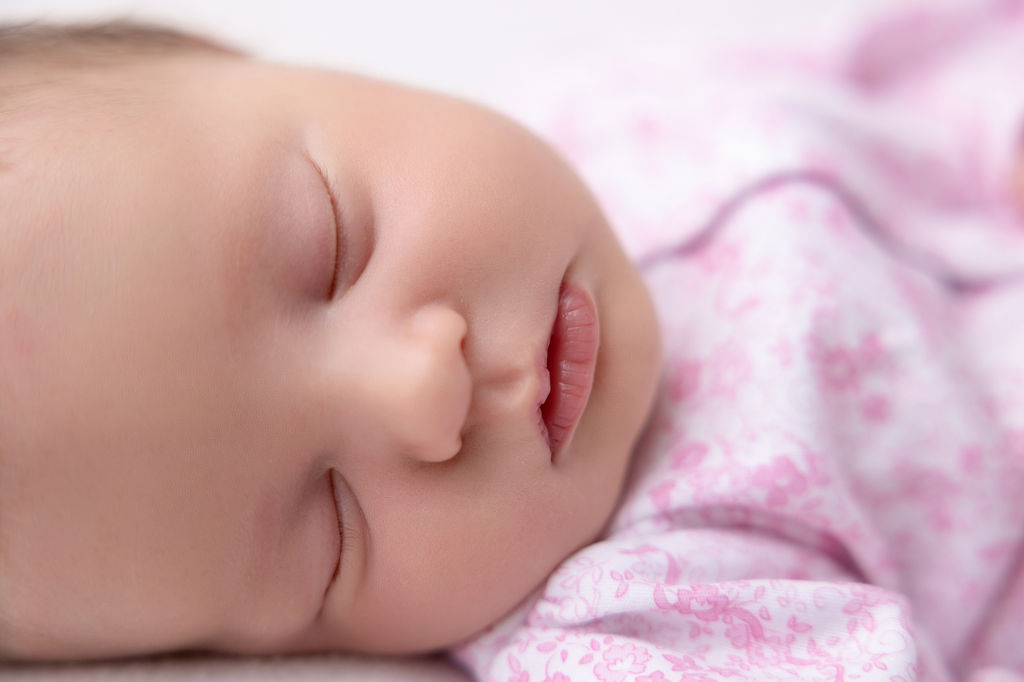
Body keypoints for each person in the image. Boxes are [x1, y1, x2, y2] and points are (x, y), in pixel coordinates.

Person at [3, 3, 1024, 680]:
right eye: (329, 526)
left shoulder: (599, 108)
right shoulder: (641, 621)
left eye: (329, 249)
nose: (423, 392)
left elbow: (891, 64)